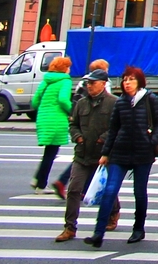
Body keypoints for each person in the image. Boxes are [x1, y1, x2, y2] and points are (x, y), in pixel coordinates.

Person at [84, 66, 158, 248]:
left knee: (139, 192)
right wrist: (105, 153)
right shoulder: (121, 102)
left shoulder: (150, 99)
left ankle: (138, 229)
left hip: (143, 154)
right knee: (110, 190)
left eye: (131, 80)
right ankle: (98, 233)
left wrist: (152, 141)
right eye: (125, 80)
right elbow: (113, 129)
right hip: (120, 152)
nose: (127, 83)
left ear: (139, 82)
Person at [59, 68, 118, 242]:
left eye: (92, 83)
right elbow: (73, 125)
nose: (89, 86)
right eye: (88, 83)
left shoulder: (114, 103)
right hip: (82, 155)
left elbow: (117, 127)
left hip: (102, 155)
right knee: (74, 189)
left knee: (106, 189)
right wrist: (76, 137)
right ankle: (69, 227)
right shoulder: (81, 103)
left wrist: (103, 139)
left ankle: (113, 212)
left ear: (102, 84)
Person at [33, 54, 73, 195]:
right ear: (64, 68)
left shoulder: (46, 80)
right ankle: (41, 184)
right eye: (68, 67)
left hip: (43, 119)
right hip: (56, 120)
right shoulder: (65, 81)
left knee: (48, 152)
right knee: (51, 153)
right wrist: (72, 110)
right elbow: (63, 99)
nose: (69, 70)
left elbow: (35, 101)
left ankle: (38, 179)